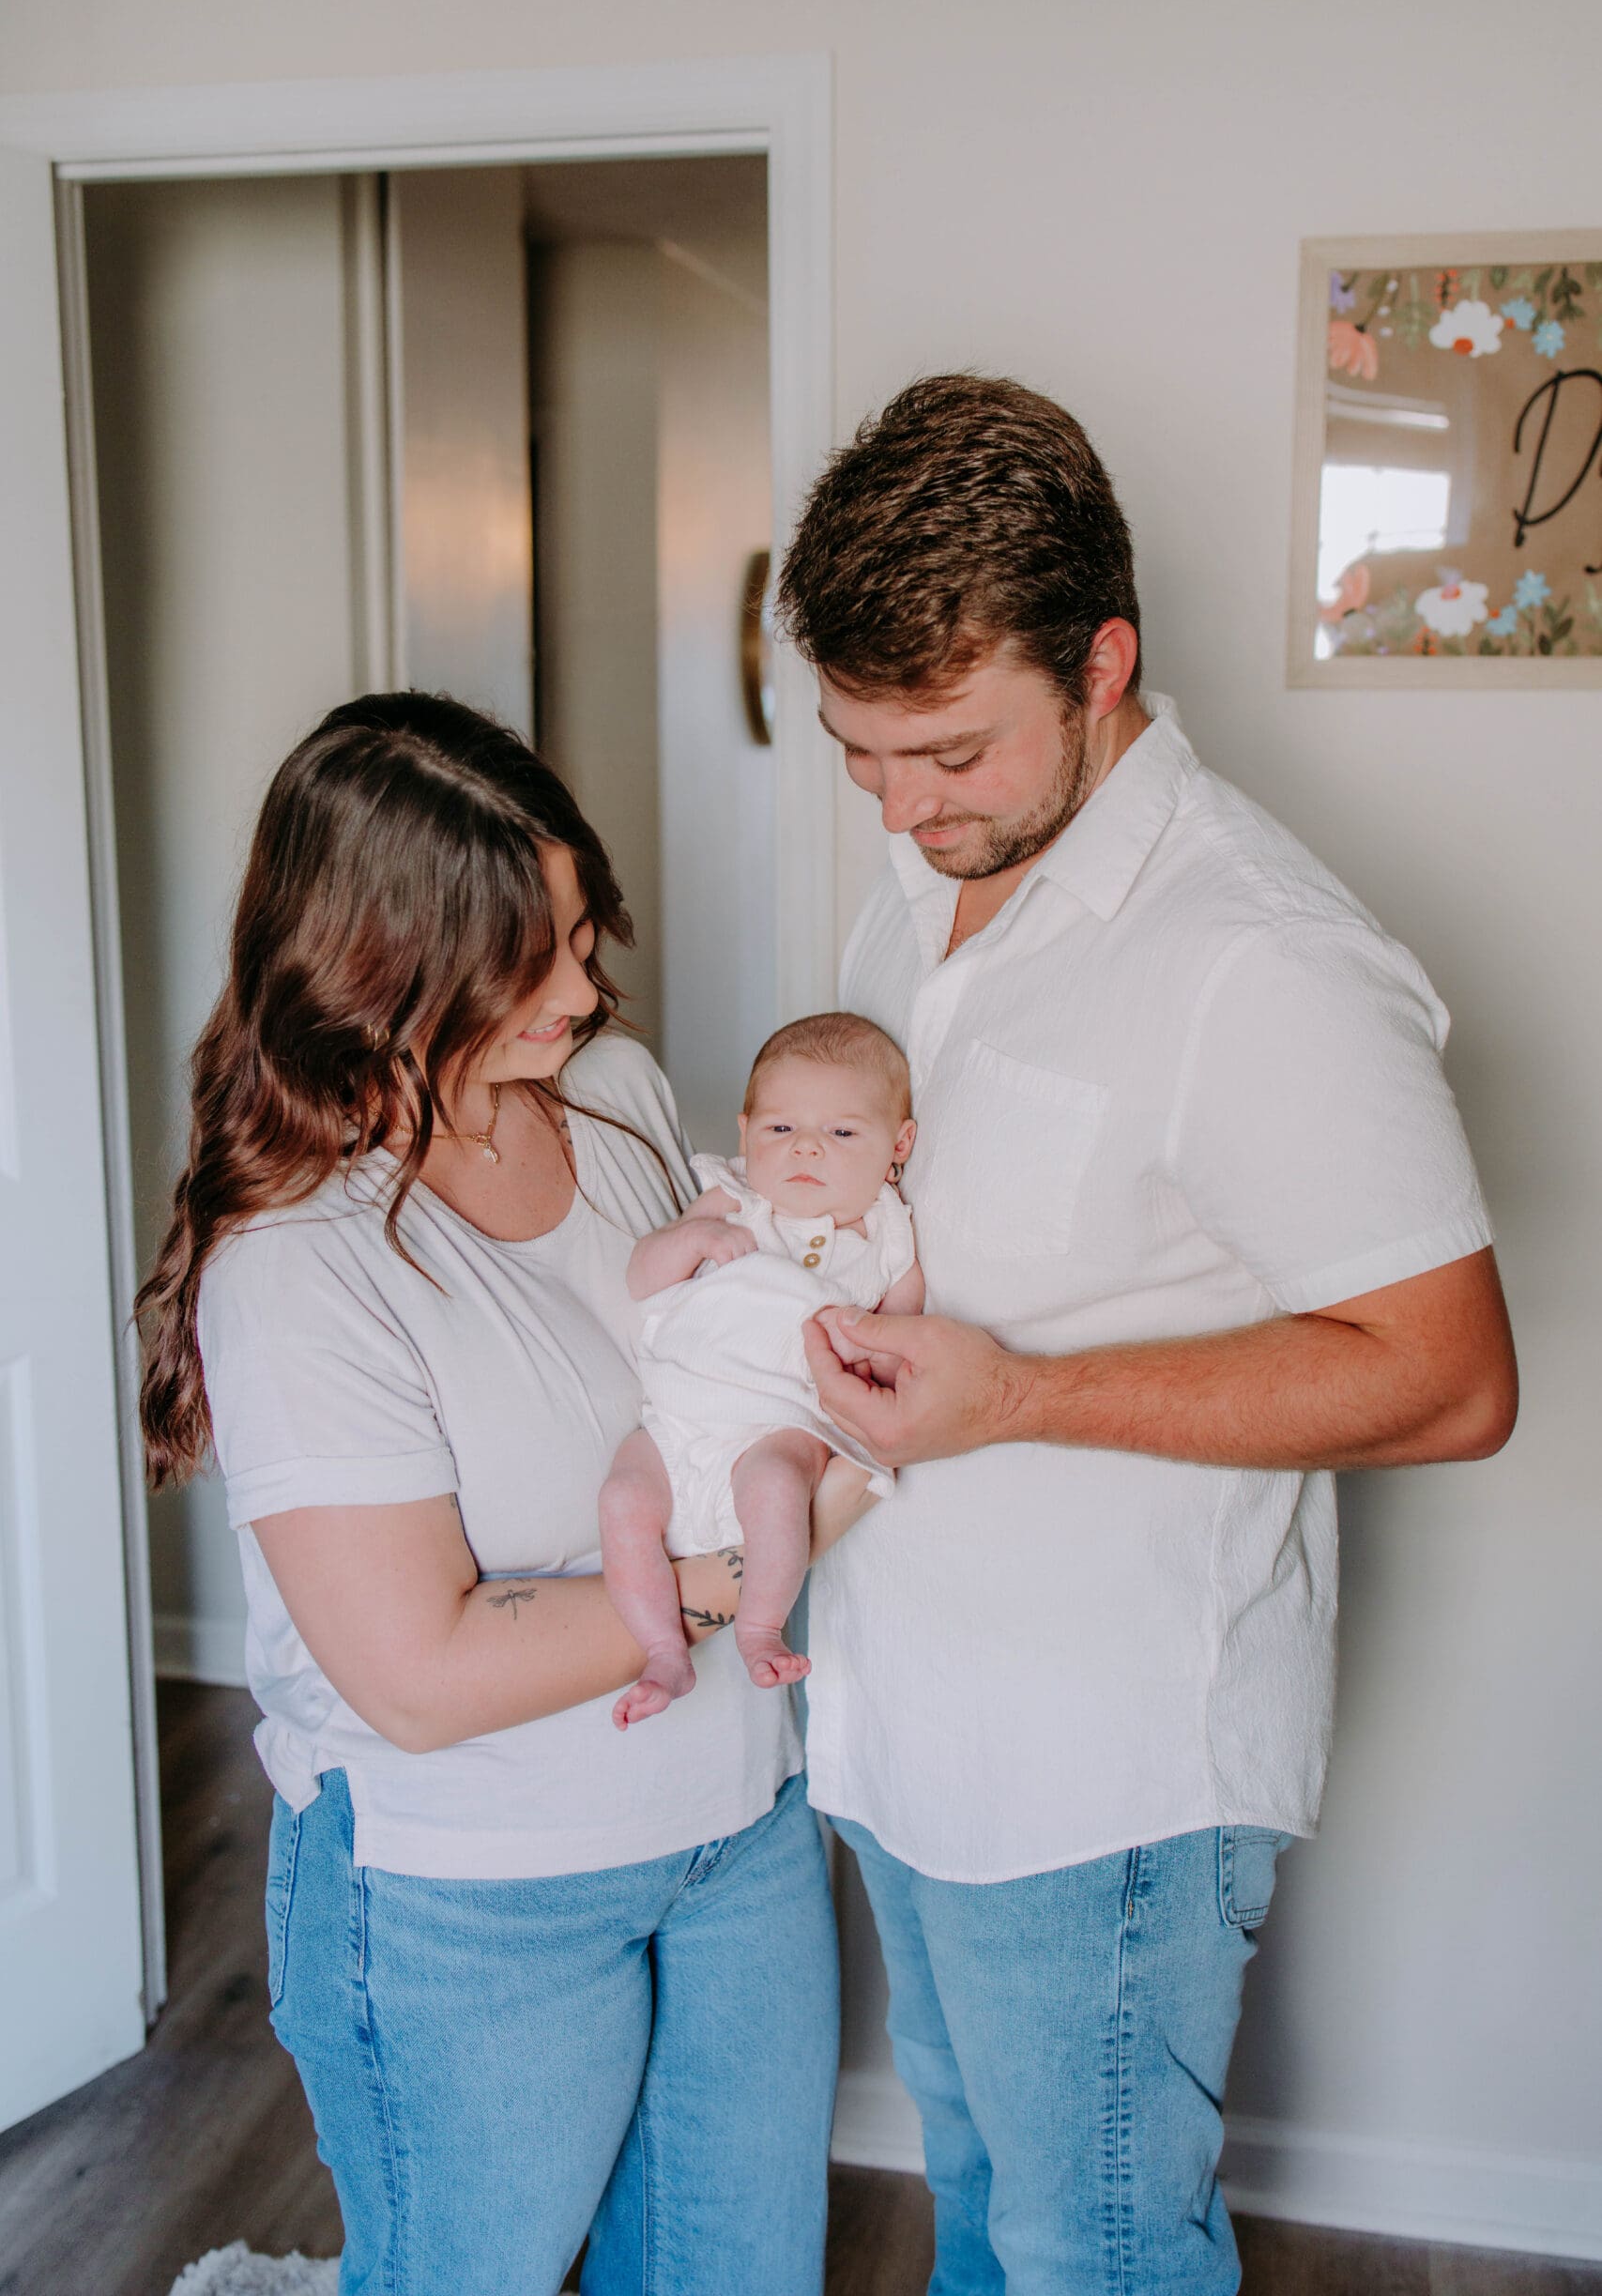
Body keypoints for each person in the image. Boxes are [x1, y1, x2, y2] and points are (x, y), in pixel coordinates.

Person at [777, 375, 1518, 2295]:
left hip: (1101, 1775)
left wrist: (1022, 1394)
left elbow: (1446, 1373)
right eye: (862, 756)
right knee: (979, 2213)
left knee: (1095, 2251)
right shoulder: (917, 881)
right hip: (906, 1717)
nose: (902, 800)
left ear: (1101, 660)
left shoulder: (1257, 957)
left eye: (944, 747)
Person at [135, 693, 847, 2296]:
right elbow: (425, 1676)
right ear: (385, 965)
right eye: (533, 956)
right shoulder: (303, 1261)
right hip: (468, 1900)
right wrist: (747, 1569)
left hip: (734, 1832)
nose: (585, 988)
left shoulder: (619, 1103)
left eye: (585, 935)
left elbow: (722, 1366)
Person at [603, 1011, 920, 1726]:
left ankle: (758, 1629)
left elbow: (902, 1333)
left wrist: (873, 1358)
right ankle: (661, 1651)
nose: (806, 1148)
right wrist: (697, 1237)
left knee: (777, 1490)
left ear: (897, 1146)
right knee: (624, 1501)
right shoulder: (736, 1196)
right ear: (746, 1134)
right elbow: (642, 1276)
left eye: (841, 1133)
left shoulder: (886, 1230)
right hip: (678, 1415)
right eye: (780, 1130)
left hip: (783, 1420)